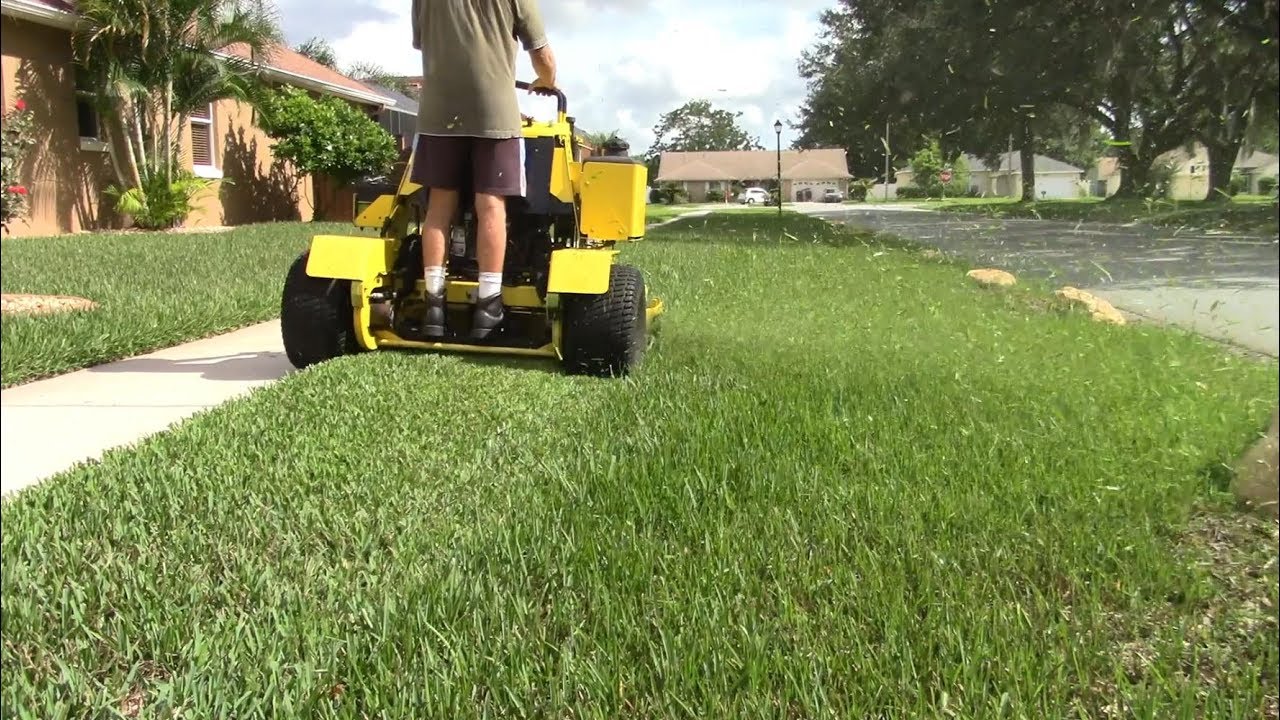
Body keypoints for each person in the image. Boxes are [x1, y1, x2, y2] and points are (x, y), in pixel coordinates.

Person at [409, 0, 558, 340]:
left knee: (438, 208)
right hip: (494, 112)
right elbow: (543, 56)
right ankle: (488, 309)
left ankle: (434, 307)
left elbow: (423, 42)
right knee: (491, 206)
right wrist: (545, 80)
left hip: (437, 113)